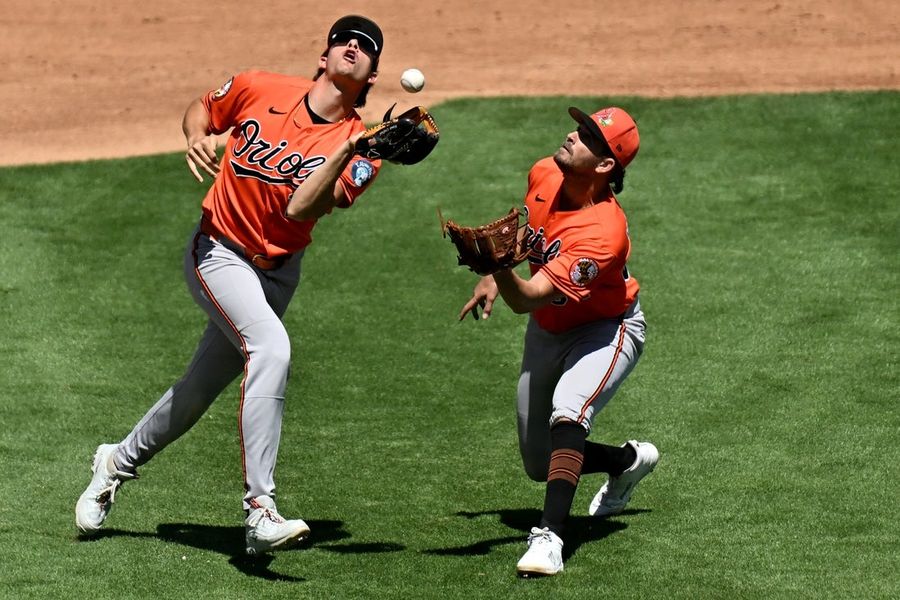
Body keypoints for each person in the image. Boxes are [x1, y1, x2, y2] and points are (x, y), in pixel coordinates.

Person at [76, 14, 388, 555]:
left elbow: (301, 206)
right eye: (344, 40)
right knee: (271, 348)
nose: (353, 48)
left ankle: (115, 461)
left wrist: (348, 151)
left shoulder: (365, 147)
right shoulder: (258, 86)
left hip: (278, 272)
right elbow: (203, 107)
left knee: (197, 392)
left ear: (372, 76)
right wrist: (197, 134)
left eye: (365, 47)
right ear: (324, 55)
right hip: (217, 253)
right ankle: (259, 511)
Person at [458, 106, 660, 577]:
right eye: (580, 125)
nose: (572, 134)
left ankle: (549, 537)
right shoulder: (546, 171)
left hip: (606, 330)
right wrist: (493, 272)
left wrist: (497, 267)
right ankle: (627, 461)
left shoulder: (604, 233)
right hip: (549, 331)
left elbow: (527, 298)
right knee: (539, 462)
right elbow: (530, 232)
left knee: (569, 411)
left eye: (588, 136)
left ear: (606, 166)